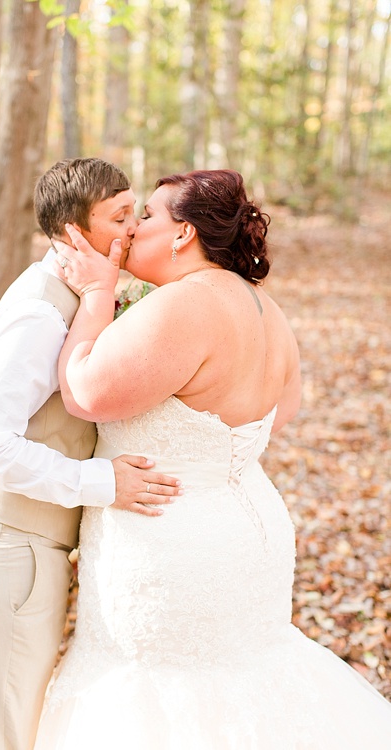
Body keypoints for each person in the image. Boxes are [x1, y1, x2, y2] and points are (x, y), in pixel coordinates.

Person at [33, 169, 391, 749]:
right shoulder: (264, 309)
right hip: (250, 530)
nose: (132, 231)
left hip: (173, 540)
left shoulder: (186, 304)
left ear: (182, 236)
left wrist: (99, 295)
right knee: (247, 687)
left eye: (147, 216)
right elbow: (284, 409)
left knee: (168, 702)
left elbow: (84, 393)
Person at [0, 158, 182, 750]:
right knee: (6, 732)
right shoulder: (39, 312)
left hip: (24, 549)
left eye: (135, 212)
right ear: (75, 232)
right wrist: (103, 484)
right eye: (119, 216)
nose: (133, 228)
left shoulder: (79, 299)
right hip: (8, 550)